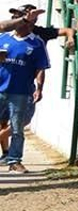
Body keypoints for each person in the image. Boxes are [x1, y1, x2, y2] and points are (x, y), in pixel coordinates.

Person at [0, 10, 51, 174]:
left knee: (17, 128)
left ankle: (14, 160)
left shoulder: (36, 43)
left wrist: (39, 88)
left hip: (20, 92)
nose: (16, 22)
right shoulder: (3, 38)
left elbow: (40, 68)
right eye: (15, 18)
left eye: (20, 19)